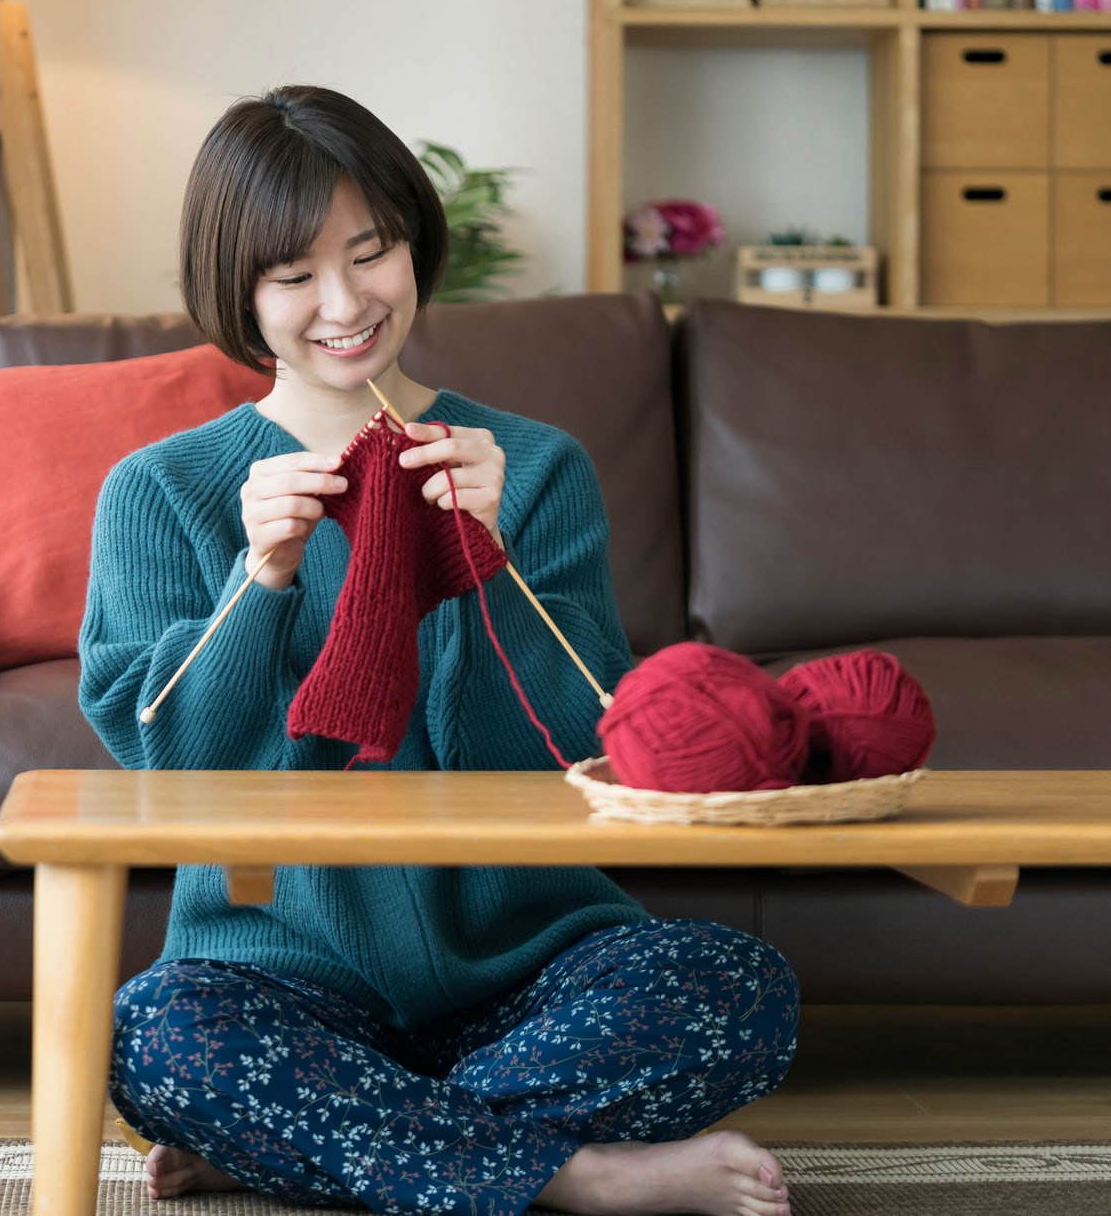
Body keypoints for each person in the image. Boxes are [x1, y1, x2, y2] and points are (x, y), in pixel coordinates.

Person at [78, 85, 799, 1216]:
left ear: (413, 244)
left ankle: (320, 1137)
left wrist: (498, 565)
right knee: (156, 1034)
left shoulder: (533, 467)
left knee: (733, 986)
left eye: (370, 252)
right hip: (276, 973)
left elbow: (595, 741)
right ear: (237, 290)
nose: (343, 301)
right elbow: (161, 760)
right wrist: (255, 581)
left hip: (526, 960)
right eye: (291, 276)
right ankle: (574, 1179)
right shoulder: (162, 490)